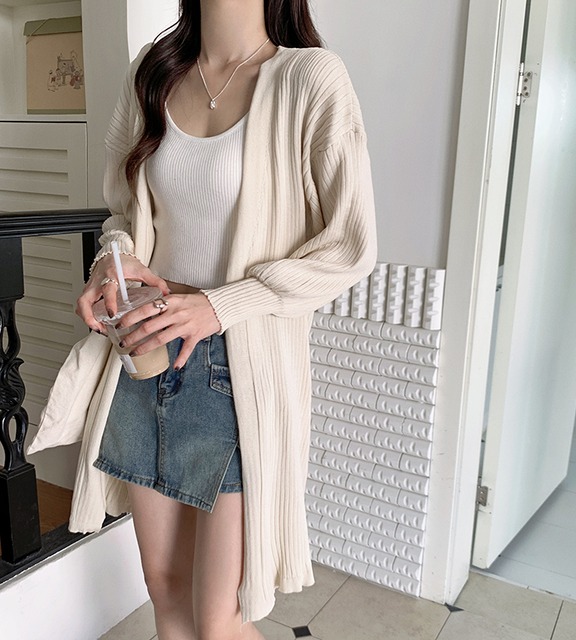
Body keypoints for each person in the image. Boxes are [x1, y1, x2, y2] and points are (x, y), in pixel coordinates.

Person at [32, 0, 376, 638]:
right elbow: (123, 213)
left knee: (219, 622)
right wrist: (112, 261)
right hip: (143, 356)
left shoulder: (309, 78)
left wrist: (220, 305)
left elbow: (349, 248)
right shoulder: (155, 71)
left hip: (236, 373)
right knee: (166, 595)